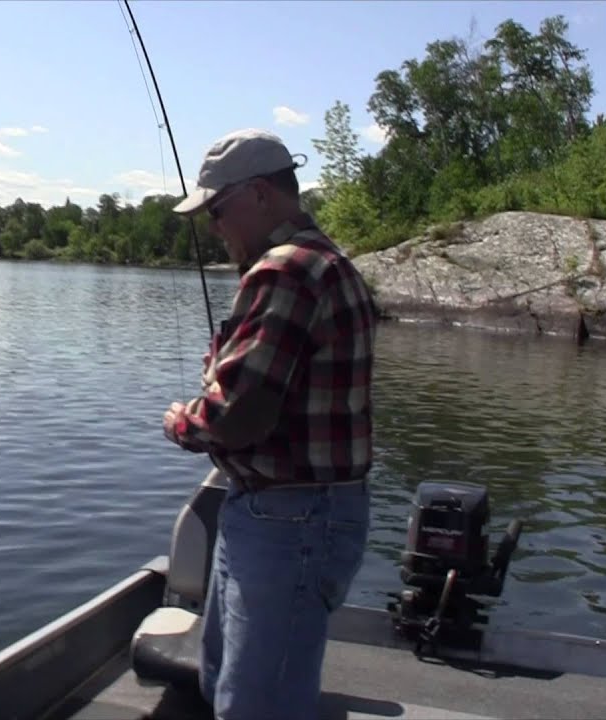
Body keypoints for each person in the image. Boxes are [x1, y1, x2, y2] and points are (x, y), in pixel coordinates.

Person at [160, 128, 378, 720]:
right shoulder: (329, 261)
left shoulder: (286, 271)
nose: (214, 226)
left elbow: (234, 415)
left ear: (259, 195)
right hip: (290, 512)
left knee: (257, 707)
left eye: (218, 209)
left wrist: (182, 423)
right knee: (225, 684)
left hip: (290, 523)